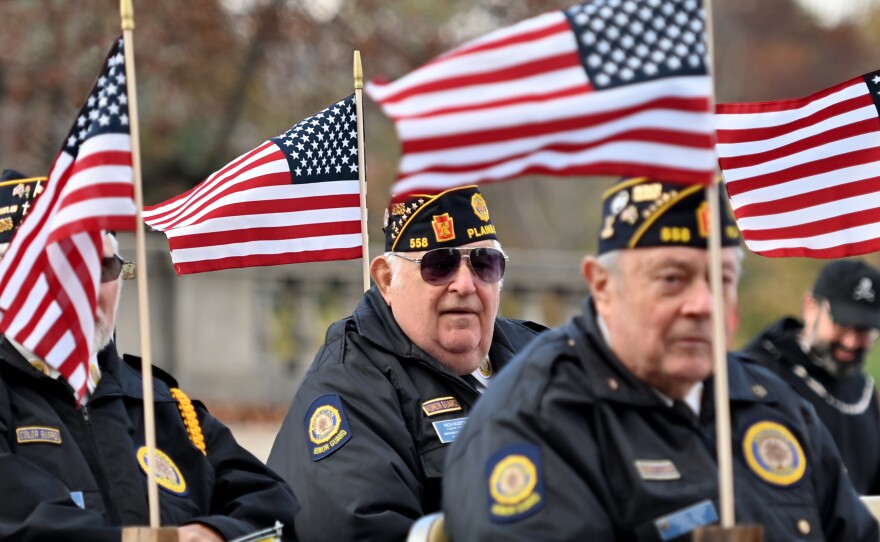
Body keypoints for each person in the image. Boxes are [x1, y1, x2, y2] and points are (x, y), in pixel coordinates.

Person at [442, 177, 879, 541]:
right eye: (673, 279)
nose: (702, 304)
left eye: (721, 279)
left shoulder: (773, 405)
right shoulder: (537, 422)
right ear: (603, 286)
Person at [0, 170, 299, 541]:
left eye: (106, 266)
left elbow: (275, 507)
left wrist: (213, 533)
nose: (92, 287)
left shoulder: (162, 405)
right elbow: (23, 527)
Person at [267, 185, 545, 541]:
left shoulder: (541, 354)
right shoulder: (351, 387)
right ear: (386, 279)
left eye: (483, 264)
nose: (465, 284)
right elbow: (363, 529)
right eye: (439, 265)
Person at [742, 259, 880, 495]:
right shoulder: (755, 374)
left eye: (865, 330)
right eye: (842, 324)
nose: (851, 342)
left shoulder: (863, 391)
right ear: (810, 307)